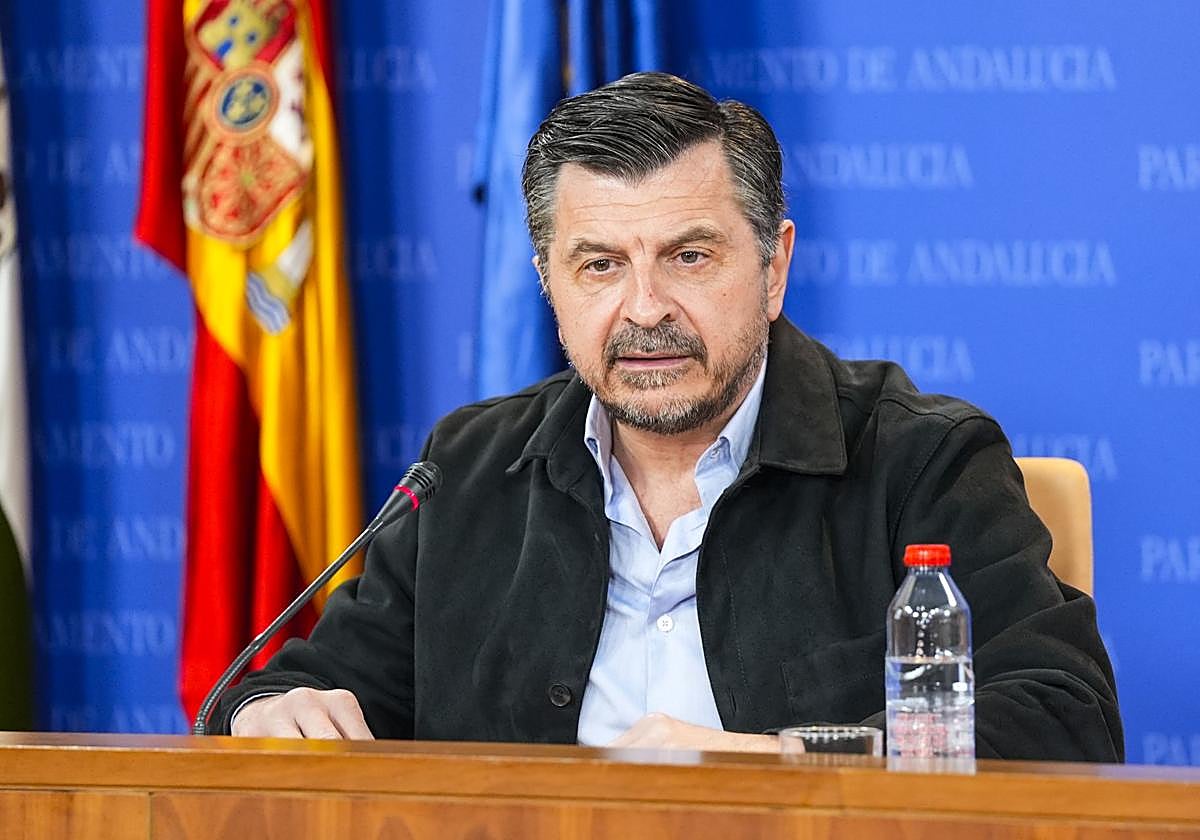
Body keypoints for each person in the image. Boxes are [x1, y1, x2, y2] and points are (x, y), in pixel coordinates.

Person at [217, 72, 1123, 760]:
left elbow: (1064, 715)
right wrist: (267, 708)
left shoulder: (922, 461)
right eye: (600, 265)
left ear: (773, 267)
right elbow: (316, 686)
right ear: (549, 283)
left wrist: (777, 762)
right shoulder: (466, 468)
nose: (645, 309)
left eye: (689, 256)